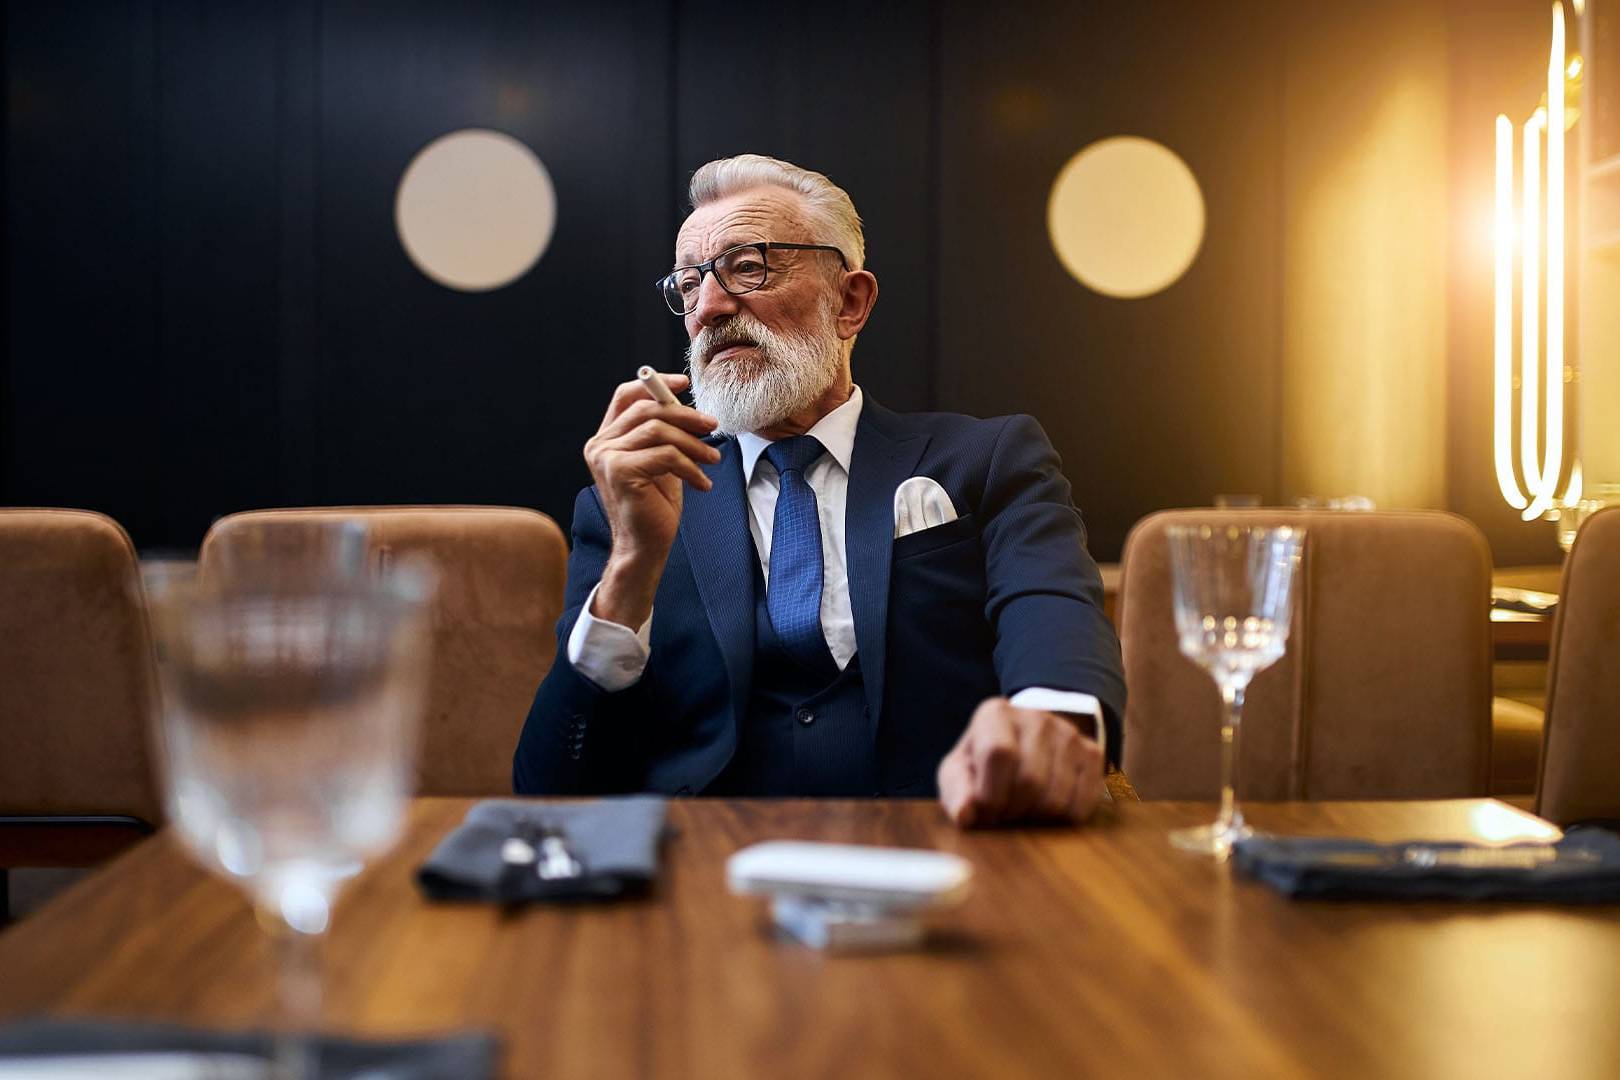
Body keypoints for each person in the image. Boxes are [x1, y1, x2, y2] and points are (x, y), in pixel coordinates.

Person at [513, 154, 1124, 825]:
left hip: (944, 843)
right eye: (689, 285)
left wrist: (1047, 731)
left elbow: (1051, 611)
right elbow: (549, 783)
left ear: (851, 302)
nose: (709, 308)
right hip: (702, 863)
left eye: (749, 266)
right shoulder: (627, 503)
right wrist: (632, 568)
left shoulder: (987, 458)